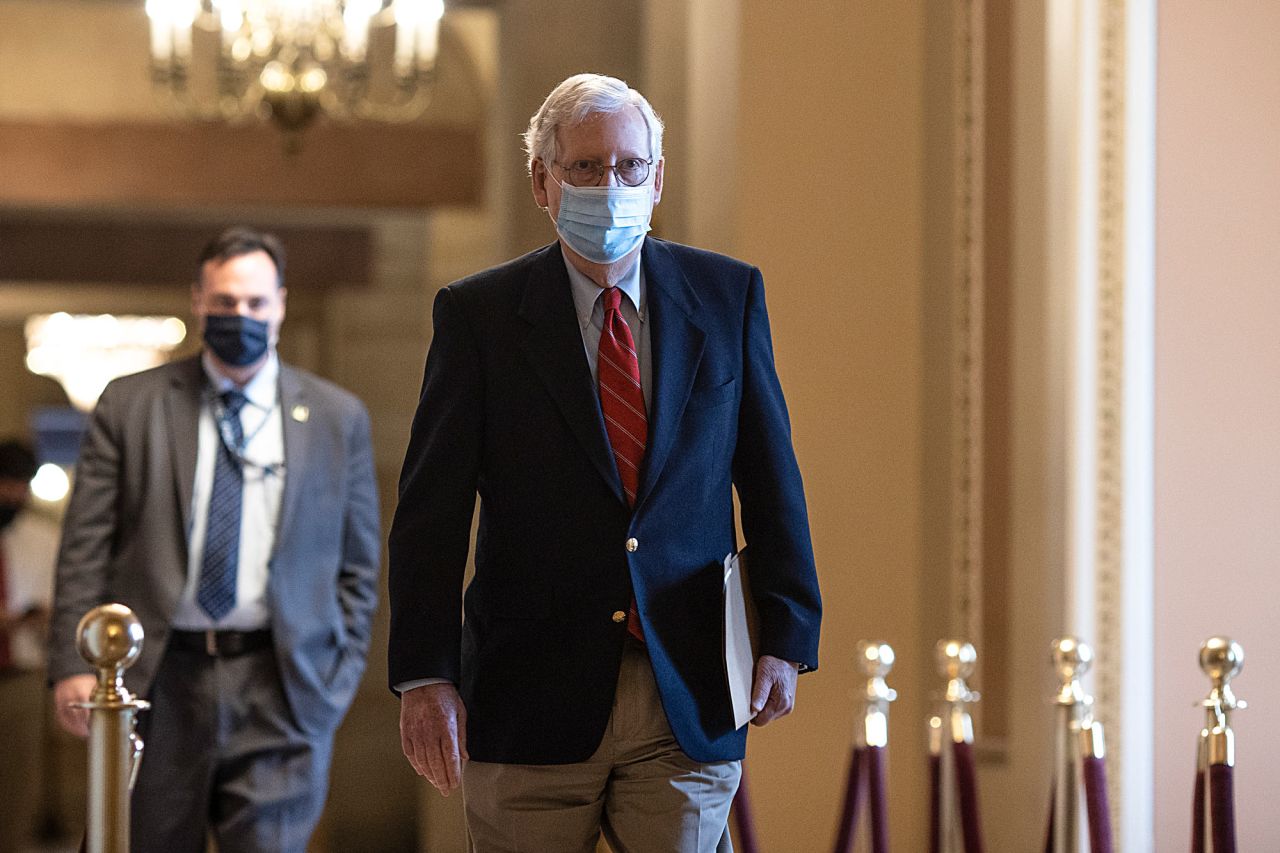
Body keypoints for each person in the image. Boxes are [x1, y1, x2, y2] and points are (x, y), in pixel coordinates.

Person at [389, 73, 822, 852]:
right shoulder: (478, 316)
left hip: (686, 686)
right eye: (585, 168)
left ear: (657, 179)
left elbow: (769, 474)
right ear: (542, 183)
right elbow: (432, 511)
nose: (609, 185)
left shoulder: (727, 296)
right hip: (530, 694)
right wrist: (425, 675)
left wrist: (788, 631)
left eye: (628, 167)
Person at [47, 227, 381, 853]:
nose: (241, 316)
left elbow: (358, 566)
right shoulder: (131, 404)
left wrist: (336, 677)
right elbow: (84, 546)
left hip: (282, 684)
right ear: (198, 302)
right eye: (225, 302)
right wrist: (73, 663)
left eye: (255, 303)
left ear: (280, 303)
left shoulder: (337, 418)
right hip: (156, 681)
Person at [0, 440, 61, 852]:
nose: (12, 495)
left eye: (20, 485)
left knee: (17, 783)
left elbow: (65, 605)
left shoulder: (45, 538)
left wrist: (39, 616)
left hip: (20, 670)